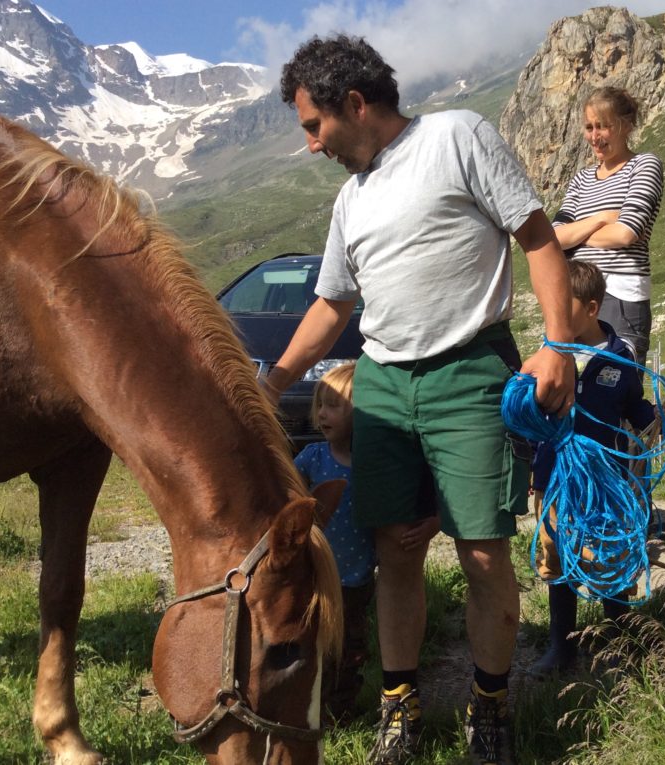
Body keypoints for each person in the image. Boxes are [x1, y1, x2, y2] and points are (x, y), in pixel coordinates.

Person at [270, 34, 575, 765]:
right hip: (380, 382)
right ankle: (399, 707)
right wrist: (273, 380)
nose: (312, 145)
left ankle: (491, 707)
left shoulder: (456, 136)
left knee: (480, 552)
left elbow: (536, 238)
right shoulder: (352, 198)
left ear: (354, 103)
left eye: (314, 126)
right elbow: (332, 305)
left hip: (468, 369)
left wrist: (559, 343)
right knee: (393, 552)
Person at [528, 260, 658, 677]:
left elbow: (634, 408)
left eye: (562, 308)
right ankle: (561, 646)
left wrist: (651, 419)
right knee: (558, 556)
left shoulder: (621, 360)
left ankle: (621, 641)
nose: (554, 317)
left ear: (591, 308)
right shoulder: (551, 354)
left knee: (611, 556)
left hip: (606, 482)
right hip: (555, 479)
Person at [293, 362, 439, 722]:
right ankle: (304, 703)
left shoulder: (373, 465)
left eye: (334, 406)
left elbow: (397, 509)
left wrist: (432, 524)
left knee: (350, 645)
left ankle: (339, 708)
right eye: (320, 405)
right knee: (311, 644)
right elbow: (288, 499)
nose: (323, 414)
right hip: (315, 573)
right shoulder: (313, 458)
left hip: (357, 578)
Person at [552, 86, 664, 369]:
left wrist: (576, 236)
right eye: (589, 127)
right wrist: (601, 218)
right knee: (572, 389)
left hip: (622, 296)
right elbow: (554, 239)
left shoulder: (644, 166)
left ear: (625, 126)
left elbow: (626, 233)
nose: (594, 137)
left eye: (603, 126)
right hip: (576, 294)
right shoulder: (580, 180)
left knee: (617, 391)